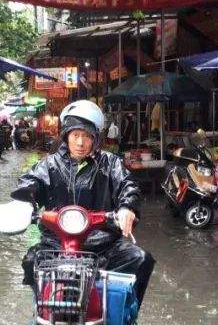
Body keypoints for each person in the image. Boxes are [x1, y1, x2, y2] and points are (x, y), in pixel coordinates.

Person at [12, 100, 155, 307]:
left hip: (102, 244)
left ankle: (127, 314)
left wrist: (127, 207)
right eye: (76, 135)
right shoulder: (49, 164)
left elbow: (128, 185)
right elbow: (29, 183)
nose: (80, 143)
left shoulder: (110, 163)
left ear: (95, 139)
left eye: (87, 136)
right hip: (57, 243)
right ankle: (41, 309)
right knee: (31, 261)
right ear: (66, 136)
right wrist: (24, 203)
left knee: (141, 259)